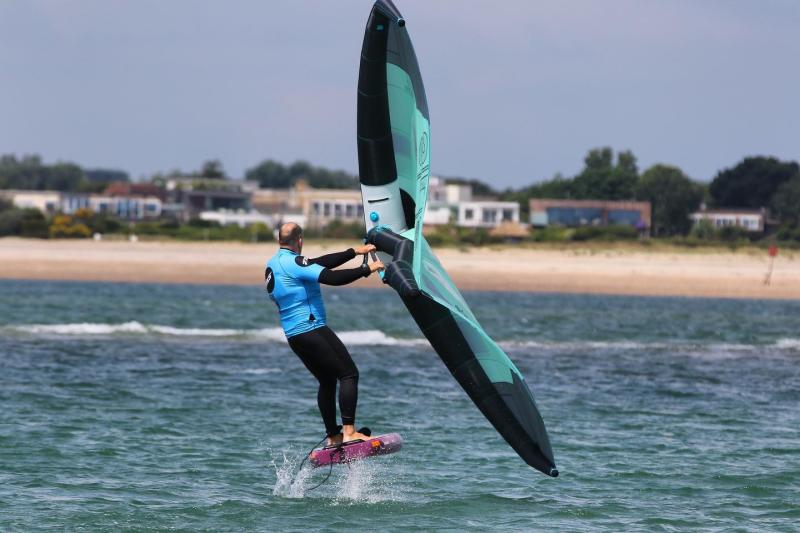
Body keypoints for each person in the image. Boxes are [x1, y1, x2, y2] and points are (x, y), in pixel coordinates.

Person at [265, 222, 384, 446]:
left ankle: (333, 436)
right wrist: (367, 269)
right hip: (312, 329)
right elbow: (331, 277)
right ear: (299, 240)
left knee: (327, 380)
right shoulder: (294, 262)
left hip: (294, 336)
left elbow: (317, 263)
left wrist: (353, 253)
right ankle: (349, 432)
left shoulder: (273, 265)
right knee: (349, 374)